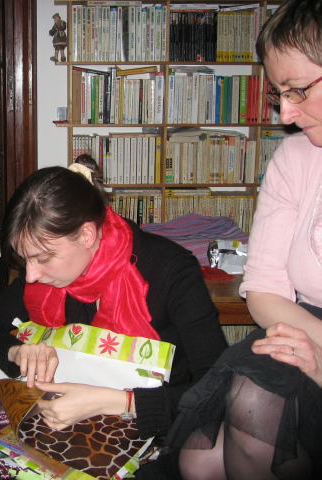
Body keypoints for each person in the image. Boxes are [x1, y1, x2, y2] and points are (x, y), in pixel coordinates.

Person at [0, 161, 228, 479]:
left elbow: (218, 391)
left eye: (43, 259)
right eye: (25, 259)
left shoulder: (171, 270)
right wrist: (16, 351)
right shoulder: (50, 271)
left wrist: (117, 402)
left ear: (86, 235)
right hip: (64, 422)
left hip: (151, 428)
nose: (31, 275)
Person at [167, 2, 322, 479]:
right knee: (199, 459)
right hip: (304, 323)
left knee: (252, 414)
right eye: (279, 93)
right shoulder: (295, 159)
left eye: (298, 90)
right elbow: (264, 288)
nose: (287, 114)